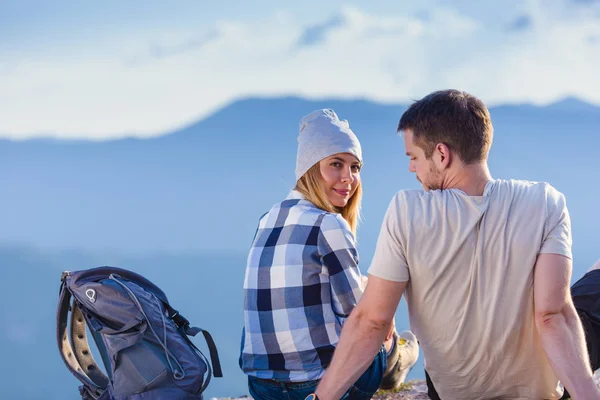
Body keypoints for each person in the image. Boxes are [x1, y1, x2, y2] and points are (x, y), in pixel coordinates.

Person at [307, 90, 600, 399]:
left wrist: (320, 398)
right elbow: (552, 316)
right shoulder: (545, 202)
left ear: (442, 155)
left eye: (414, 157)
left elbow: (373, 320)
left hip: (454, 391)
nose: (411, 168)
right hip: (540, 388)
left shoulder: (407, 211)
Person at [239, 109, 418, 400]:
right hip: (318, 387)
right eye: (336, 164)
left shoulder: (267, 219)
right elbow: (363, 319)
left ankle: (395, 354)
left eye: (355, 167)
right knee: (377, 316)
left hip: (262, 387)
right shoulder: (328, 224)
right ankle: (396, 356)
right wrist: (385, 317)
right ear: (311, 168)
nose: (348, 178)